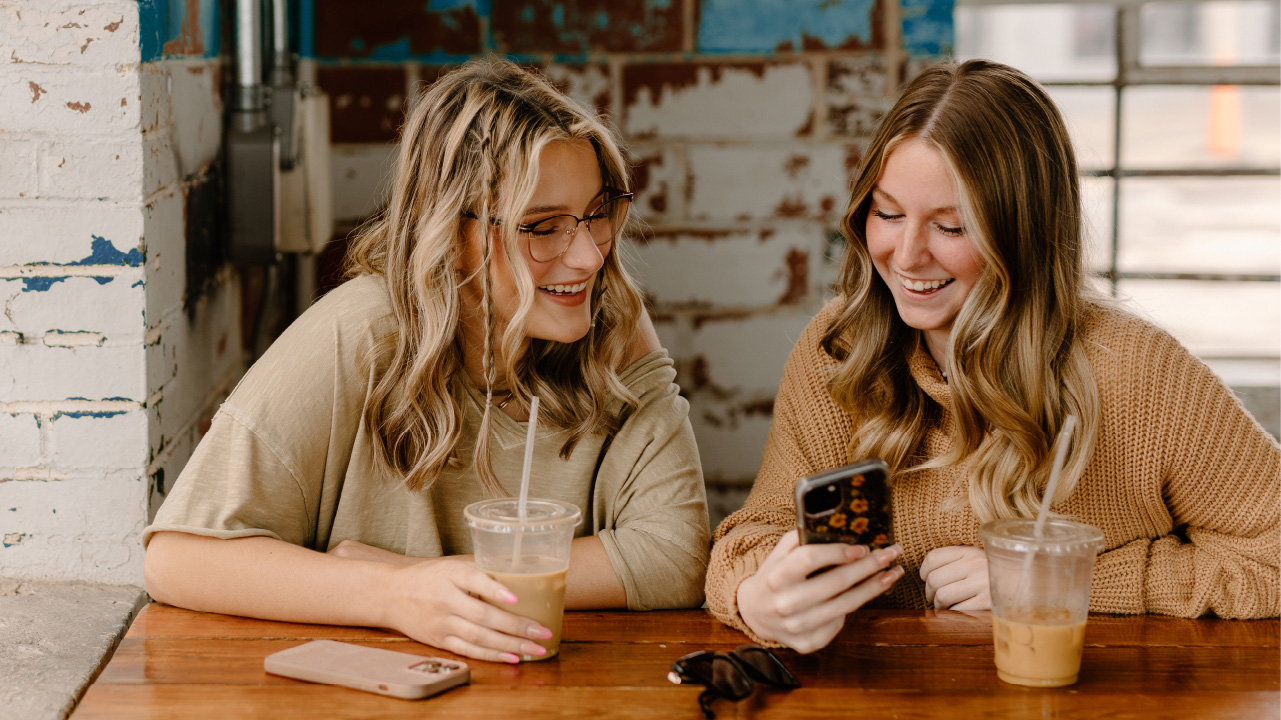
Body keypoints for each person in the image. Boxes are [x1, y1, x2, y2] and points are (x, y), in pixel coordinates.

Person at [144, 58, 710, 664]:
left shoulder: (613, 323)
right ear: (450, 230)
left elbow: (678, 554)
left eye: (598, 214)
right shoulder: (360, 331)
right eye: (542, 227)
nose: (589, 258)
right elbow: (177, 558)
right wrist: (392, 595)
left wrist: (429, 580)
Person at [705, 59, 1280, 653]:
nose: (905, 257)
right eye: (888, 213)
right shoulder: (840, 349)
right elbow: (751, 537)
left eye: (951, 228)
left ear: (1023, 235)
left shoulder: (1135, 371)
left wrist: (1060, 580)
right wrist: (757, 597)